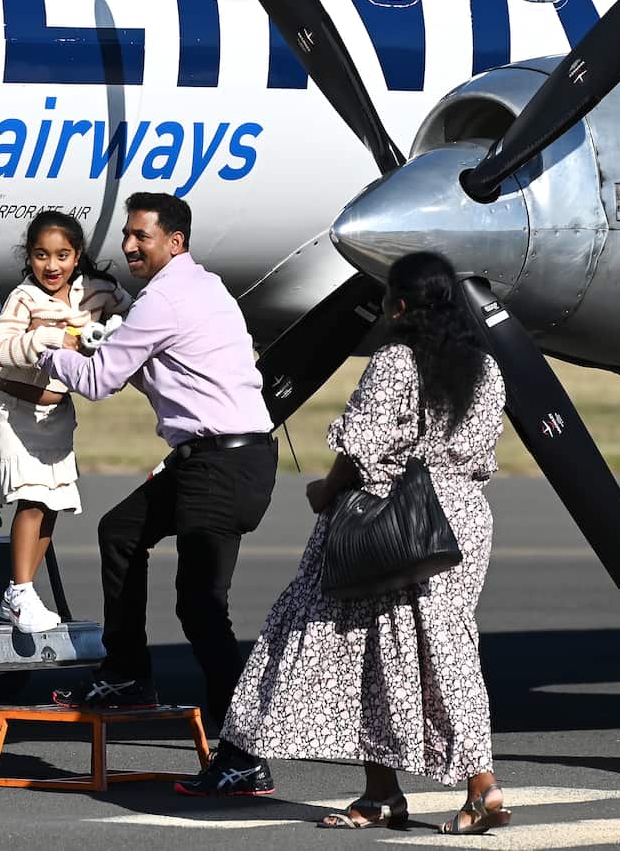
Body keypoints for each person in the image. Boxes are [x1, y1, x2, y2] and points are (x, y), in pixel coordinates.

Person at [179, 252, 512, 837]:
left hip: (393, 520)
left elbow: (360, 447)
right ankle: (385, 794)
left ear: (401, 305)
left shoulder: (394, 362)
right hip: (459, 520)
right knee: (434, 649)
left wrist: (323, 489)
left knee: (350, 640)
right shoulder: (486, 370)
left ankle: (479, 785)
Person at [39, 192, 277, 733]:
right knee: (121, 532)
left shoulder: (162, 301)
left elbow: (100, 382)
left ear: (175, 241)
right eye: (127, 235)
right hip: (221, 458)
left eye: (140, 236)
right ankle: (126, 671)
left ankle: (242, 739)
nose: (128, 246)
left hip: (219, 465)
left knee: (200, 606)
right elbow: (159, 368)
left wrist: (47, 350)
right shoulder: (204, 285)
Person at [0, 211, 132, 633]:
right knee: (33, 499)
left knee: (52, 503)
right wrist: (52, 336)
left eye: (62, 255)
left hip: (57, 416)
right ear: (30, 257)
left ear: (77, 256)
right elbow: (2, 351)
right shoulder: (23, 298)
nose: (51, 265)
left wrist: (106, 333)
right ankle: (20, 592)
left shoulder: (97, 290)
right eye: (41, 255)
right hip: (16, 412)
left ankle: (18, 590)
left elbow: (131, 318)